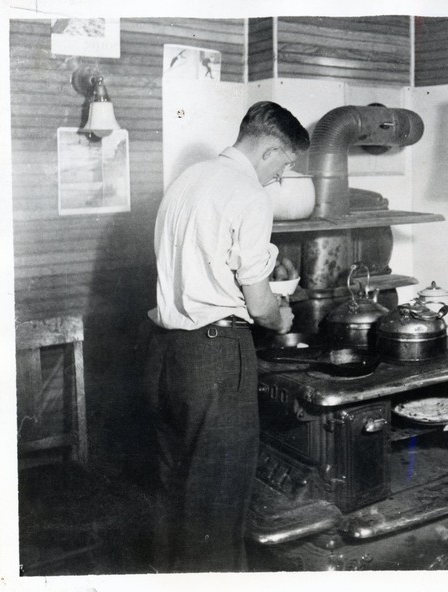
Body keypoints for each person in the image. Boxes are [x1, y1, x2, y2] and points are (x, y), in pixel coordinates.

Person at [142, 101, 310, 572]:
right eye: (285, 166)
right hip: (214, 357)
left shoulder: (185, 182)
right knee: (217, 499)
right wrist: (281, 319)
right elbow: (259, 306)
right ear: (271, 150)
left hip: (164, 351)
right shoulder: (248, 194)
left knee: (174, 485)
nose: (280, 177)